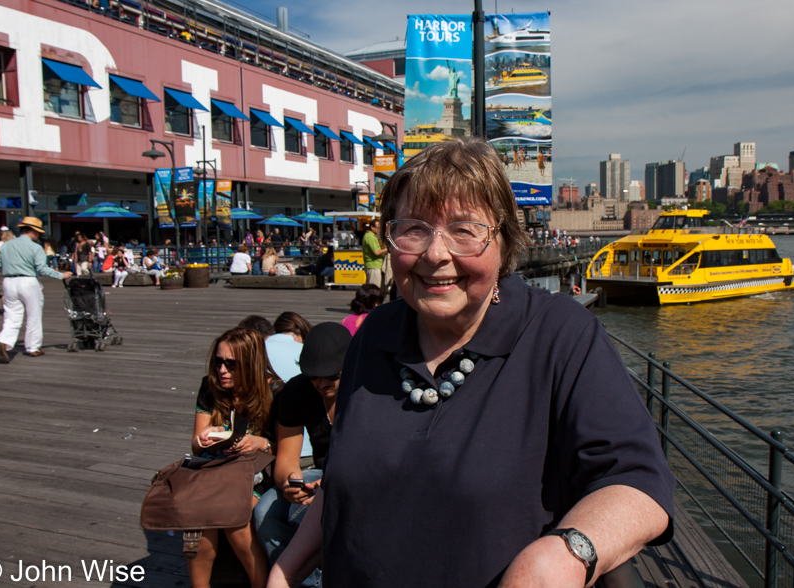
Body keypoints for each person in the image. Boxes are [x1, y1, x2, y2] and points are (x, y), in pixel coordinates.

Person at [269, 138, 674, 587]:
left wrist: (564, 554)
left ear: (504, 241)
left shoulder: (559, 334)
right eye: (414, 228)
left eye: (464, 230)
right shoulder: (372, 336)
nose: (436, 253)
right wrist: (287, 570)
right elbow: (343, 482)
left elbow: (638, 482)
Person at [254, 323, 351, 576]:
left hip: (359, 477)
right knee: (266, 511)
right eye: (313, 376)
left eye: (331, 375)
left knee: (312, 516)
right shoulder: (297, 390)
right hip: (318, 472)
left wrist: (329, 484)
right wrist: (289, 482)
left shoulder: (366, 391)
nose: (321, 383)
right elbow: (286, 457)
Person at [191, 327, 275, 588]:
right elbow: (195, 445)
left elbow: (288, 448)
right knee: (196, 520)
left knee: (233, 511)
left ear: (250, 365)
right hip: (218, 466)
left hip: (259, 471)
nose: (222, 370)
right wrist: (204, 437)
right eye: (218, 362)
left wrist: (261, 442)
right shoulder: (210, 386)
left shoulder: (276, 390)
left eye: (230, 364)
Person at [0, 217, 73, 363]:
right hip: (27, 281)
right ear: (32, 231)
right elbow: (42, 269)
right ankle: (33, 348)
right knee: (33, 316)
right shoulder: (35, 247)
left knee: (11, 317)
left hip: (8, 282)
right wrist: (61, 275)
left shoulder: (5, 246)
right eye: (37, 233)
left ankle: (3, 341)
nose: (38, 236)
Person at [361, 219, 387, 287]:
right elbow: (376, 252)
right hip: (373, 266)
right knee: (374, 289)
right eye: (378, 227)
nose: (379, 229)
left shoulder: (372, 236)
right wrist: (387, 249)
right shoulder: (370, 237)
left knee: (373, 289)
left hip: (375, 265)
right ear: (372, 227)